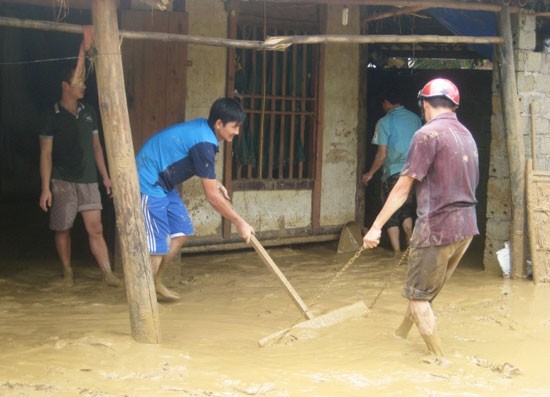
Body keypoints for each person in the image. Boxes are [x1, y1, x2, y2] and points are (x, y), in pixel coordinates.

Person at [363, 78, 479, 363]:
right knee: (423, 291)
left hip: (437, 228)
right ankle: (400, 335)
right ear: (454, 105)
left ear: (425, 104)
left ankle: (440, 360)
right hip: (466, 227)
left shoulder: (427, 135)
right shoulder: (466, 134)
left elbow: (402, 188)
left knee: (418, 298)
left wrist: (375, 227)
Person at [136, 97, 255, 301]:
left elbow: (201, 169)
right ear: (219, 124)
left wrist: (214, 181)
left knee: (181, 231)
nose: (237, 132)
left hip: (164, 183)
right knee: (156, 245)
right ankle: (143, 300)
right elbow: (212, 197)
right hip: (148, 180)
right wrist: (240, 223)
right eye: (234, 127)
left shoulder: (205, 129)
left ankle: (156, 281)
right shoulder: (204, 143)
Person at [39, 66, 121, 288]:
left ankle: (107, 273)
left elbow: (97, 148)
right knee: (62, 228)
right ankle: (67, 271)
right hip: (62, 180)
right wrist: (46, 188)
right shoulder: (51, 116)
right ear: (65, 87)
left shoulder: (89, 112)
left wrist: (105, 177)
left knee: (96, 229)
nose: (84, 86)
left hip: (88, 179)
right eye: (79, 83)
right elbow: (45, 154)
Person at [362, 88, 422, 256]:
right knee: (407, 209)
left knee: (391, 212)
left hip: (394, 172)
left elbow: (382, 154)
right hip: (413, 172)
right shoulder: (415, 119)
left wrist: (370, 174)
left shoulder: (384, 122)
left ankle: (396, 252)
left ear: (387, 103)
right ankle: (410, 246)